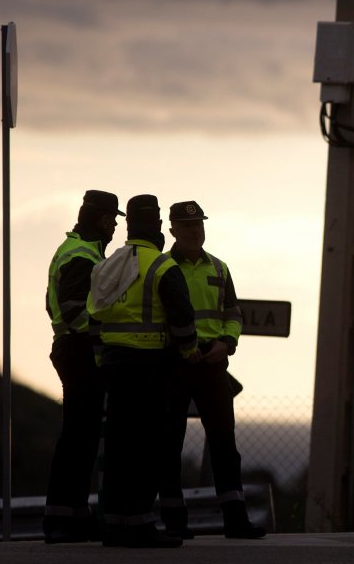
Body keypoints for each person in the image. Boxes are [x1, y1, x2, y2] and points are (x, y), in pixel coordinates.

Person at [87, 194, 200, 549]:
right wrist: (189, 351)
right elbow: (182, 319)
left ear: (130, 225)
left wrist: (102, 358)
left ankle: (115, 525)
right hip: (151, 367)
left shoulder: (110, 264)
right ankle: (139, 525)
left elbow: (94, 317)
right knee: (147, 448)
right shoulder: (163, 266)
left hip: (115, 367)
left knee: (119, 448)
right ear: (157, 227)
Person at [157, 200, 265, 540]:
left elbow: (232, 313)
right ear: (172, 229)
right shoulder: (161, 268)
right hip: (175, 362)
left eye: (199, 225)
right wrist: (181, 348)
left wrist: (227, 344)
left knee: (224, 442)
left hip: (213, 362)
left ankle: (235, 520)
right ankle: (175, 522)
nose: (194, 231)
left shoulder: (219, 268)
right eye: (187, 226)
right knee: (169, 442)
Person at [42, 190, 123, 543]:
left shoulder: (78, 250)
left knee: (83, 438)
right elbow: (76, 310)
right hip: (80, 350)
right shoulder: (82, 255)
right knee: (78, 439)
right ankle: (62, 520)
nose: (117, 225)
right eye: (113, 218)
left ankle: (74, 516)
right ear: (103, 220)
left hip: (74, 348)